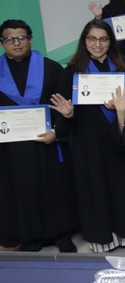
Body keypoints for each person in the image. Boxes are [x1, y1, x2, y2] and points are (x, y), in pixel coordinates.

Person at [51, 19, 125, 253]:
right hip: (87, 141)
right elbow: (65, 114)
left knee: (122, 187)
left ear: (111, 41)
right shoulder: (72, 72)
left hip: (119, 138)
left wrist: (122, 111)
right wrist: (69, 114)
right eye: (92, 39)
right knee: (94, 188)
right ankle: (101, 238)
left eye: (103, 39)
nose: (97, 44)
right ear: (84, 41)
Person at [0, 20, 78, 253]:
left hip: (48, 143)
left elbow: (66, 106)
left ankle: (61, 235)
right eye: (9, 39)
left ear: (31, 39)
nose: (16, 43)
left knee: (55, 188)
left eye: (22, 38)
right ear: (2, 42)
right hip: (11, 150)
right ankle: (29, 237)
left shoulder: (51, 68)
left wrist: (56, 132)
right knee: (20, 191)